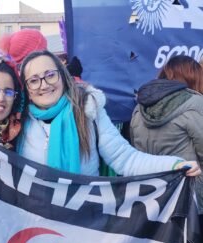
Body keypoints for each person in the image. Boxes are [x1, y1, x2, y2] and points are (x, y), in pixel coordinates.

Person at [17, 50, 200, 177]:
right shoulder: (17, 123)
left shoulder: (88, 111)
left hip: (83, 223)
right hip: (33, 226)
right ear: (26, 89)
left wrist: (174, 165)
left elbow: (127, 159)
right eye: (33, 80)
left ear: (63, 77)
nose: (44, 84)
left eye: (50, 75)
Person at [130, 55, 203, 243]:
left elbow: (137, 154)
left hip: (156, 194)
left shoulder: (140, 107)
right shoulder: (196, 104)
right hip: (194, 195)